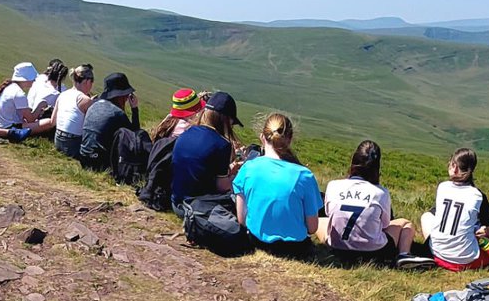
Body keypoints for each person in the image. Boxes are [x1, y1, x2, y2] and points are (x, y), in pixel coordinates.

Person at [318, 140, 433, 269]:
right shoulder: (381, 193)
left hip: (337, 247)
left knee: (320, 221)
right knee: (406, 223)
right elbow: (385, 224)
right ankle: (403, 254)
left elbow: (329, 213)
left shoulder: (333, 185)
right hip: (374, 253)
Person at [232, 113, 321, 258]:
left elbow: (241, 220)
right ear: (290, 139)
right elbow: (312, 228)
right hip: (295, 248)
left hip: (256, 241)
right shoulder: (304, 176)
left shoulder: (248, 168)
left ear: (262, 137)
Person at [420, 148, 489, 271]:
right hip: (466, 260)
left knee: (426, 216)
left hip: (436, 253)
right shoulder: (478, 196)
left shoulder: (442, 187)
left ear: (454, 167)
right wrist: (483, 231)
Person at [170, 92, 243, 215]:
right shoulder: (222, 145)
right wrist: (237, 176)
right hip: (198, 208)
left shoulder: (187, 132)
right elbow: (223, 187)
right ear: (226, 119)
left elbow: (198, 169)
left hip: (176, 202)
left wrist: (228, 171)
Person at [79, 72, 140, 171]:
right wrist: (134, 109)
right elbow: (135, 137)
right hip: (100, 163)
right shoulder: (117, 113)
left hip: (83, 157)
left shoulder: (94, 105)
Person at [0, 62, 55, 136]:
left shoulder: (9, 87)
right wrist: (40, 105)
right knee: (49, 122)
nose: (34, 80)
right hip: (9, 127)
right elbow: (31, 119)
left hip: (0, 124)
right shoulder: (19, 94)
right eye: (33, 78)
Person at [53, 64, 95, 158]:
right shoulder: (85, 99)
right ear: (87, 81)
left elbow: (52, 121)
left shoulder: (63, 95)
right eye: (92, 81)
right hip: (73, 145)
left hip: (58, 140)